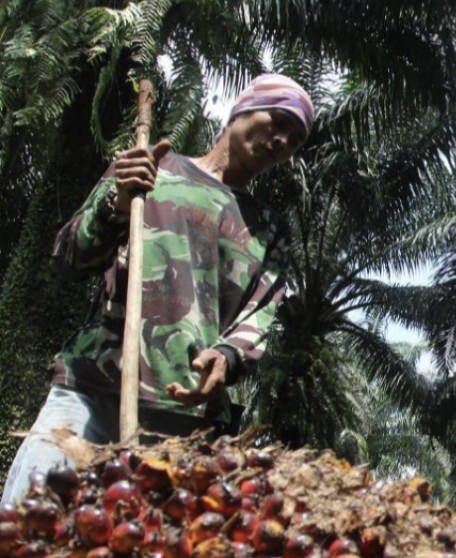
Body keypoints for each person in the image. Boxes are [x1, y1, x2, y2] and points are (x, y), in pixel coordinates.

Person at [2, 74, 313, 505]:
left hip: (184, 418)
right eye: (278, 120)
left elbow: (259, 315)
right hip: (93, 387)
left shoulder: (269, 229)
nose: (281, 140)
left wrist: (226, 358)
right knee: (26, 523)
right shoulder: (150, 169)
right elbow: (70, 257)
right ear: (243, 109)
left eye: (294, 139)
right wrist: (117, 202)